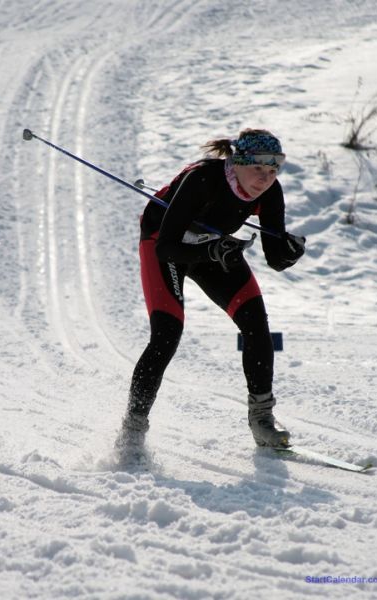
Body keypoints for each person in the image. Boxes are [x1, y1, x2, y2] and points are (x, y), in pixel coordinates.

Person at [116, 128, 305, 458]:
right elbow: (166, 248)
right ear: (238, 162)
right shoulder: (204, 179)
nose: (265, 178)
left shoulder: (270, 192)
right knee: (167, 335)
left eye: (273, 170)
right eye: (258, 169)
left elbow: (275, 258)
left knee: (256, 326)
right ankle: (132, 430)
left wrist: (289, 252)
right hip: (165, 244)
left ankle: (262, 420)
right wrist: (212, 252)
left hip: (212, 248)